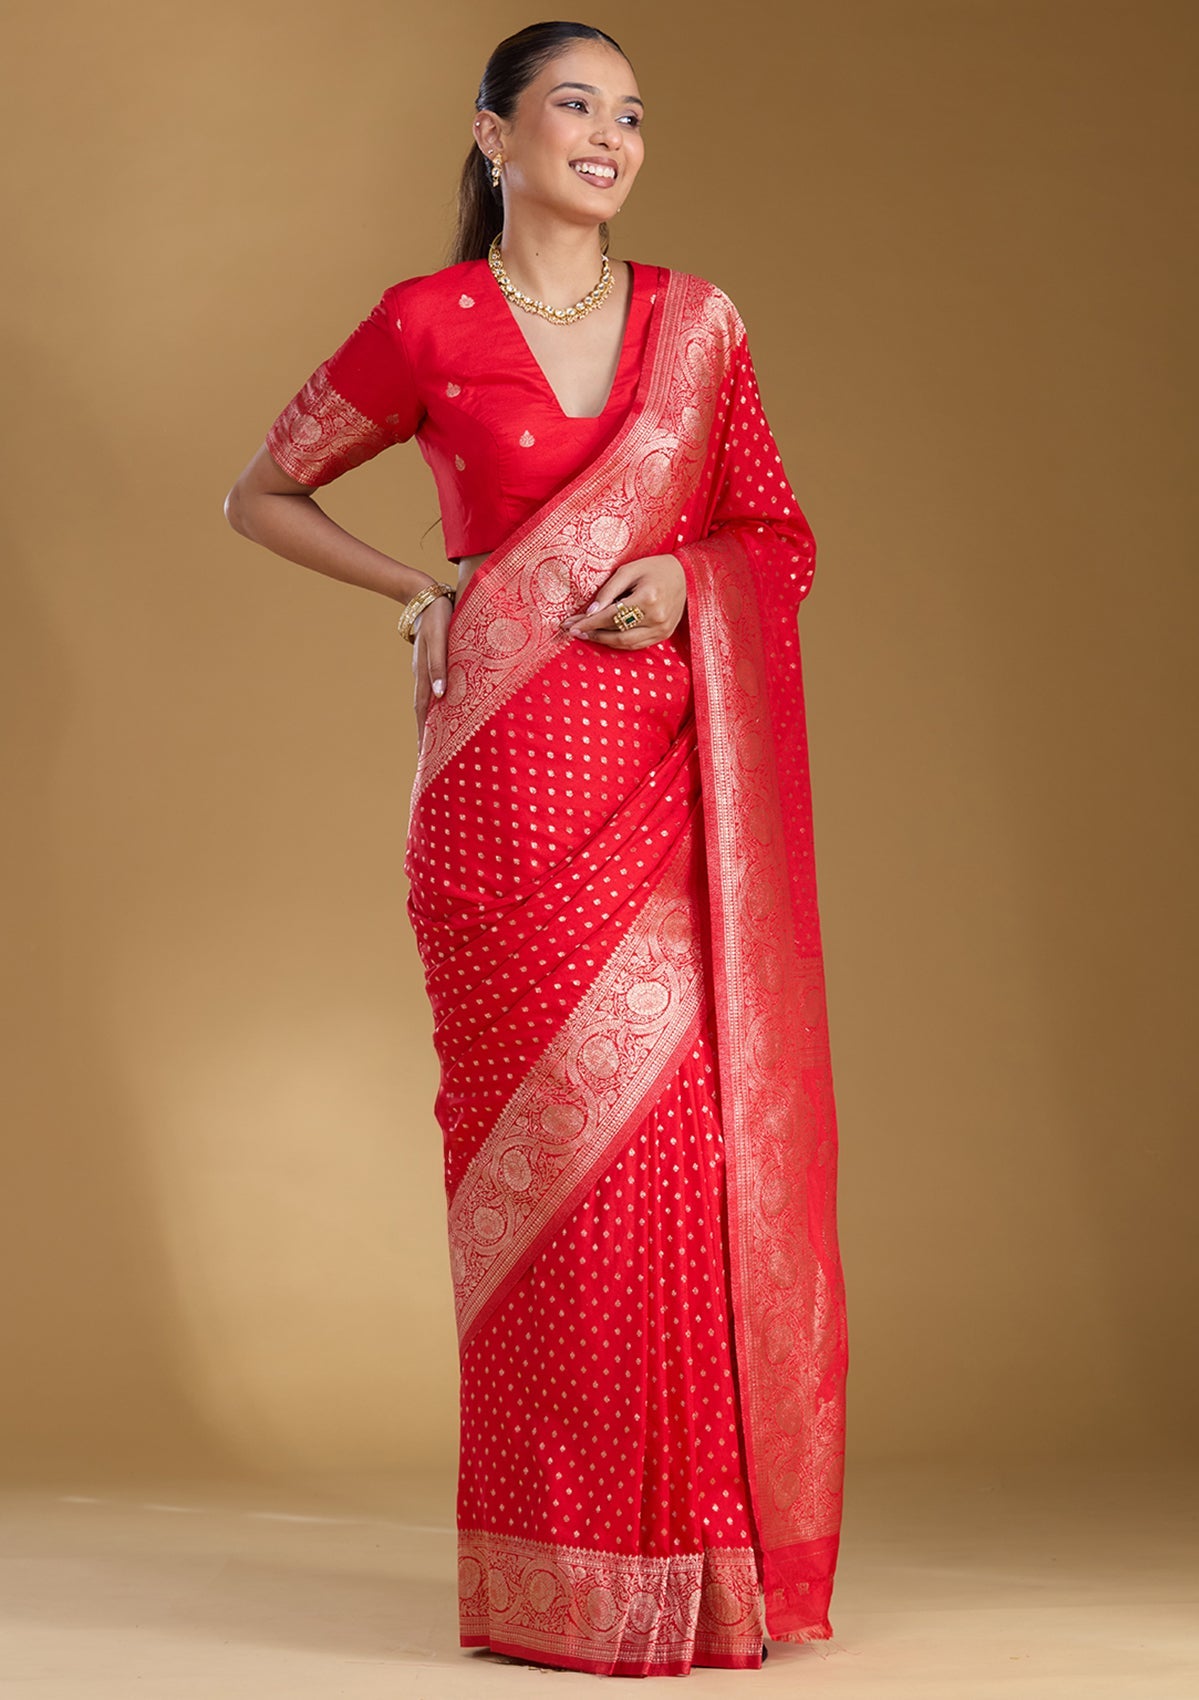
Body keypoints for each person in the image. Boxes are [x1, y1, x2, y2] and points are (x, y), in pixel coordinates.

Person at [224, 19, 848, 1679]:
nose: (610, 135)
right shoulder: (424, 323)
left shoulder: (699, 326)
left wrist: (687, 578)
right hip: (499, 799)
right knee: (535, 1189)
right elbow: (258, 494)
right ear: (494, 134)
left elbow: (778, 537)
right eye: (576, 105)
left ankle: (685, 1576)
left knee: (667, 1170)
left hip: (663, 787)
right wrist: (415, 593)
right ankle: (549, 1581)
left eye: (631, 114)